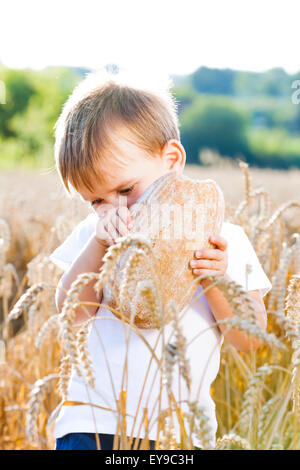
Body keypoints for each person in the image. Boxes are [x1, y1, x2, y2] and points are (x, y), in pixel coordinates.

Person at [49, 68, 272, 450]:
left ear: (171, 160)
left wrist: (214, 281)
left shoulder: (223, 241)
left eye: (125, 189)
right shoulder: (95, 234)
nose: (115, 208)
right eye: (98, 200)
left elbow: (249, 339)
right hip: (91, 422)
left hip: (178, 432)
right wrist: (100, 248)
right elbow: (73, 312)